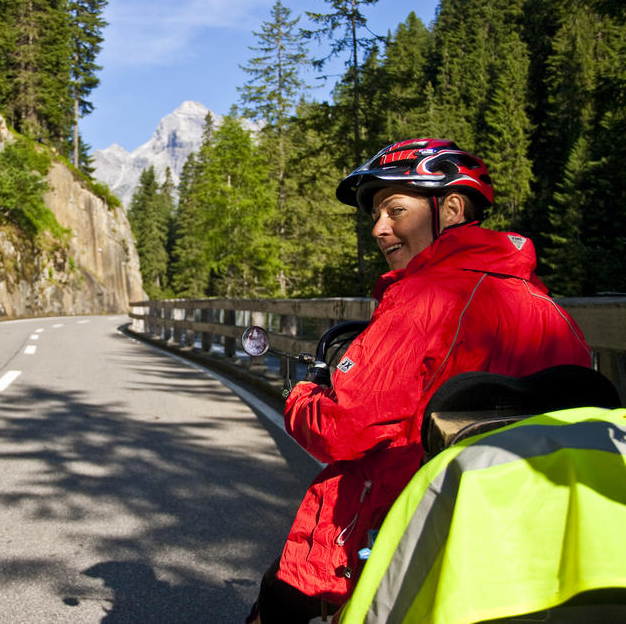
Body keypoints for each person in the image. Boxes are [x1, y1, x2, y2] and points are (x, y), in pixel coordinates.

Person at [247, 138, 593, 623]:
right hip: (537, 535)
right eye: (376, 215)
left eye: (395, 210)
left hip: (413, 522)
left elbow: (342, 428)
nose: (379, 228)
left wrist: (303, 395)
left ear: (449, 208)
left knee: (281, 595)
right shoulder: (547, 308)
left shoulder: (422, 299)